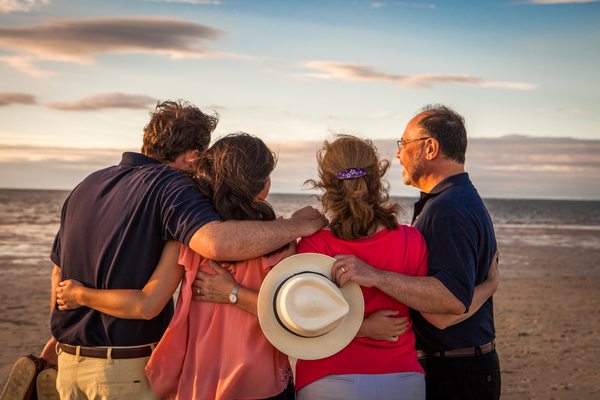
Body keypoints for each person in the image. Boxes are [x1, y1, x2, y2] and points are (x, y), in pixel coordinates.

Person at [47, 101, 326, 399]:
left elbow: (58, 273)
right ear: (193, 157)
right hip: (123, 370)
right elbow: (215, 243)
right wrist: (296, 227)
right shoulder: (172, 185)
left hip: (69, 363)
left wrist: (59, 334)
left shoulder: (88, 184)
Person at [332, 105, 500, 400]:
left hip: (456, 371)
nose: (398, 154)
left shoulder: (449, 209)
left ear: (430, 148)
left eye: (404, 144)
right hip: (460, 363)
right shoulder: (452, 200)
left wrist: (374, 275)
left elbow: (445, 309)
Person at [291, 135, 428, 400]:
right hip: (401, 378)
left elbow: (305, 322)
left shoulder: (315, 244)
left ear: (327, 184)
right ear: (377, 178)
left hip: (329, 378)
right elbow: (431, 307)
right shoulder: (412, 240)